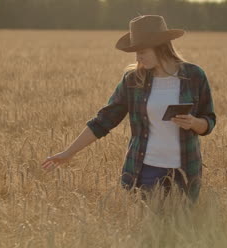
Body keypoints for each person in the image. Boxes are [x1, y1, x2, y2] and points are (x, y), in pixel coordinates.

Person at [41, 15, 216, 204]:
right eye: (135, 52)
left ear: (160, 46)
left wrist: (194, 123)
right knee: (146, 229)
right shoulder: (133, 81)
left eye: (142, 51)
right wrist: (69, 152)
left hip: (185, 172)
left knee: (182, 230)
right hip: (145, 170)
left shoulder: (194, 76)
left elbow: (209, 121)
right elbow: (103, 121)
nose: (137, 57)